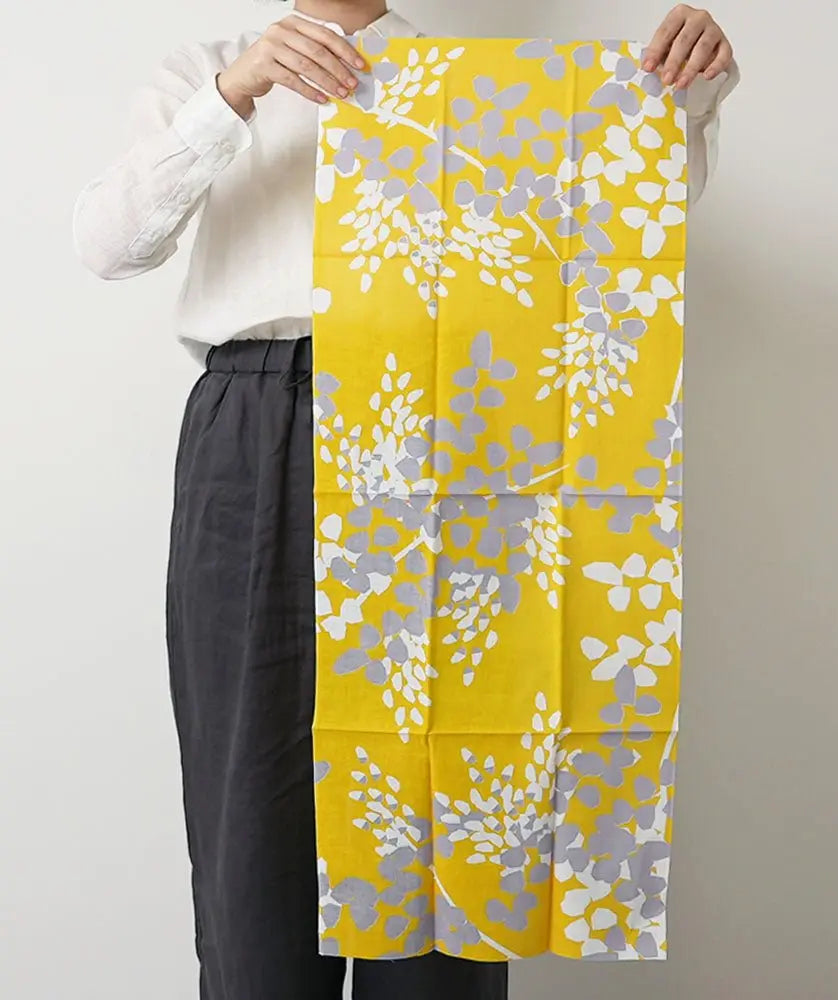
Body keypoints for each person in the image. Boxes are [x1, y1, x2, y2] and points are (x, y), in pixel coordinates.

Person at [73, 3, 738, 998]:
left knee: (448, 808)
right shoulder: (209, 70)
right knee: (251, 803)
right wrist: (236, 94)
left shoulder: (489, 85)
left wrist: (691, 92)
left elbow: (627, 211)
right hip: (262, 422)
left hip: (455, 436)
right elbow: (108, 243)